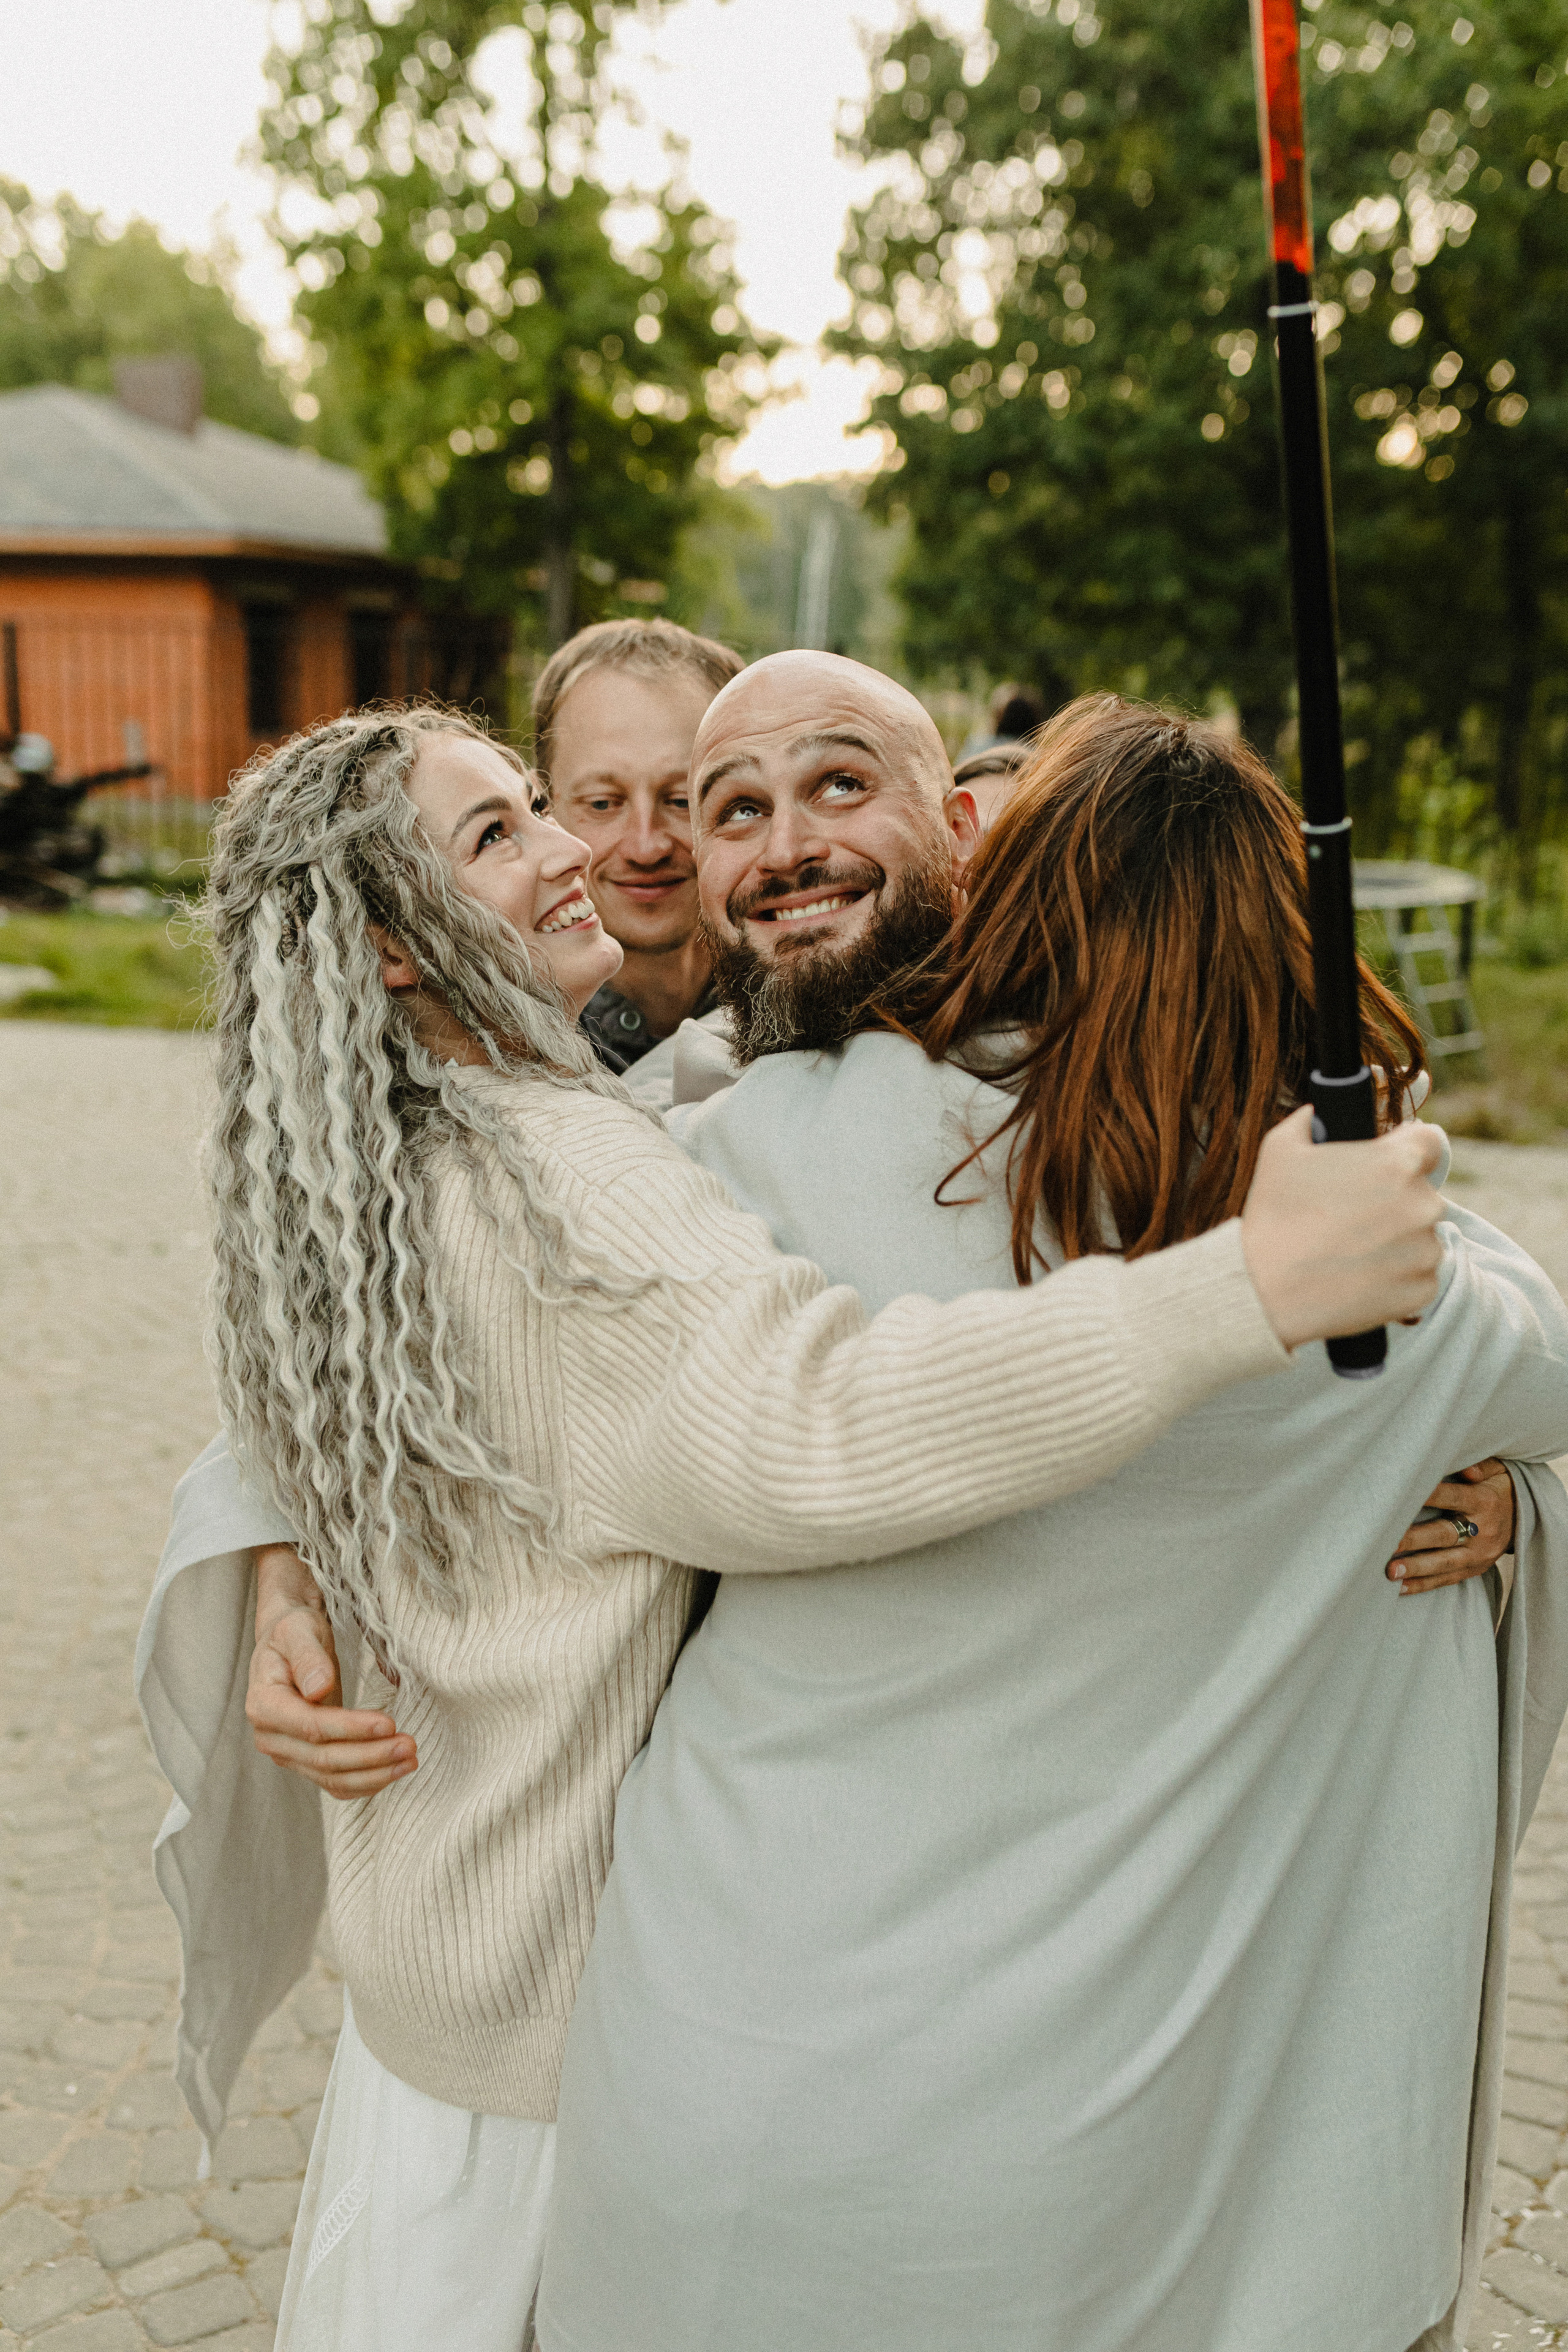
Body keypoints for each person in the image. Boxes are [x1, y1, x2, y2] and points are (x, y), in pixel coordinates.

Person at [138, 700, 1448, 2352]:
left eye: (551, 806)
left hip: (451, 2002)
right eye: (503, 833)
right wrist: (1254, 1287)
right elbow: (813, 1422)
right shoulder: (570, 1182)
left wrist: (280, 1542)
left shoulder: (410, 1155)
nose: (601, 853)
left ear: (957, 826)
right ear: (392, 951)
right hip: (560, 2041)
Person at [533, 695, 1568, 2352]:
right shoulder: (1416, 1305)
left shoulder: (765, 1151)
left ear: (998, 897)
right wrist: (1511, 1495)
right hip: (1175, 2176)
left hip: (765, 2086)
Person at [530, 619, 739, 1071]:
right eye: (603, 803)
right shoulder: (499, 1039)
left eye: (683, 801)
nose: (647, 848)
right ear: (543, 807)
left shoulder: (817, 1004)